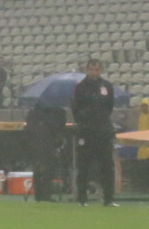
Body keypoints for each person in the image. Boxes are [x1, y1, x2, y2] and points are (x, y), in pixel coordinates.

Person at [71, 58, 118, 207]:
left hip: (103, 131)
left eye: (97, 69)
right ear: (87, 69)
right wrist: (85, 123)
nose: (94, 72)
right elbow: (75, 109)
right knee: (83, 166)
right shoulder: (80, 87)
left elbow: (109, 107)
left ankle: (109, 199)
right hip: (86, 132)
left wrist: (101, 122)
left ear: (101, 70)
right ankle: (82, 199)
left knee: (107, 166)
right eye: (92, 69)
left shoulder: (107, 86)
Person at [25, 101, 67, 202]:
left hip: (34, 141)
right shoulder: (55, 111)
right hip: (47, 141)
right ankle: (45, 194)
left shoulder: (34, 111)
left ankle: (38, 195)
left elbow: (28, 125)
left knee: (38, 168)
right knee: (48, 168)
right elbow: (58, 126)